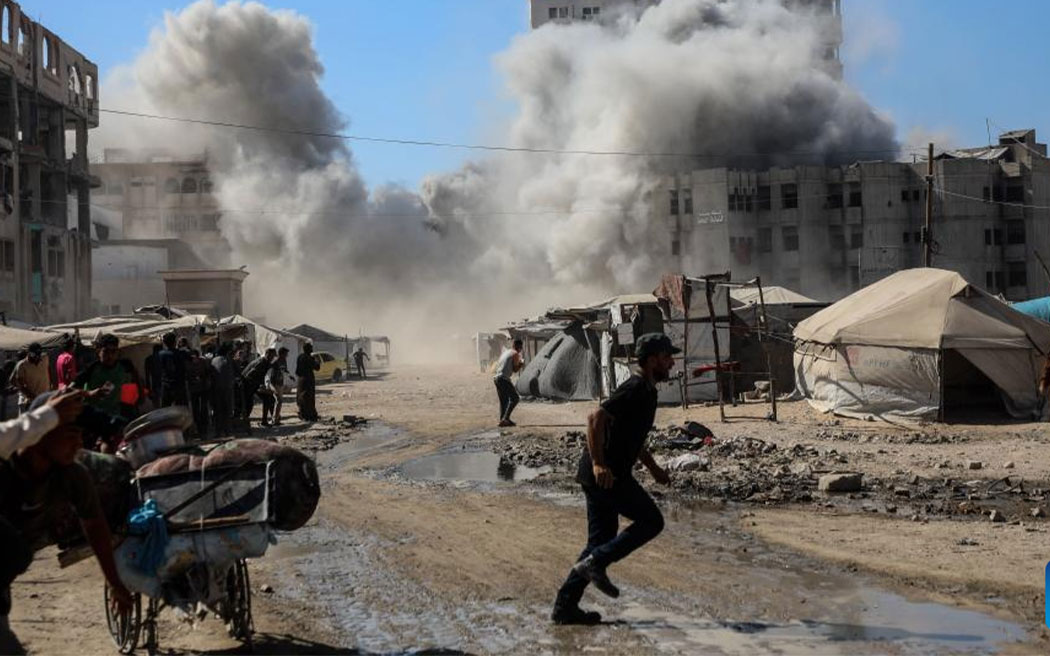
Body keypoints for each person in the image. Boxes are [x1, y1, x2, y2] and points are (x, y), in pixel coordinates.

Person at [551, 333, 677, 626]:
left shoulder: (648, 391)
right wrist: (598, 463)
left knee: (599, 542)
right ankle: (595, 564)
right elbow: (595, 418)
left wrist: (653, 468)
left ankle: (564, 607)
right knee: (651, 521)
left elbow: (633, 436)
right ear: (652, 359)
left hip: (609, 474)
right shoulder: (635, 387)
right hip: (605, 475)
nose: (671, 362)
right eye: (667, 356)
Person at [0, 391, 133, 648]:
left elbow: (95, 525)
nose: (78, 442)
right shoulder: (6, 470)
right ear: (39, 433)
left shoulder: (72, 475)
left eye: (81, 434)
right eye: (70, 434)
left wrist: (115, 582)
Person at [11, 343, 52, 414]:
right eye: (34, 355)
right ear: (29, 353)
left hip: (45, 398)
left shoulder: (45, 358)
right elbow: (20, 384)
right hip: (32, 401)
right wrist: (31, 396)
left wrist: (52, 384)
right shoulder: (22, 365)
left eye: (38, 355)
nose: (36, 358)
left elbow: (48, 370)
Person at [241, 348, 276, 426]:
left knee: (268, 398)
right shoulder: (260, 362)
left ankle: (265, 421)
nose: (272, 358)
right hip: (248, 384)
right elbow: (249, 375)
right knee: (248, 404)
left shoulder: (266, 362)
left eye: (273, 356)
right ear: (267, 354)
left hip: (255, 385)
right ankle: (243, 421)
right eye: (271, 356)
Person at [494, 340, 524, 428]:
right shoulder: (515, 354)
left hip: (497, 378)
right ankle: (505, 419)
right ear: (519, 347)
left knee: (504, 401)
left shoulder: (506, 352)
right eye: (520, 348)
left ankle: (503, 420)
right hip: (503, 378)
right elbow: (515, 370)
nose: (520, 350)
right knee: (515, 398)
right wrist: (521, 363)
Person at [210, 343, 236, 438]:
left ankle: (218, 432)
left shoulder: (213, 360)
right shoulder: (228, 360)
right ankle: (228, 431)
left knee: (217, 411)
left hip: (216, 389)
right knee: (227, 411)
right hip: (227, 389)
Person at [158, 332, 188, 408]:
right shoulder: (181, 353)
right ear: (175, 342)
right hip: (179, 385)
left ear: (164, 343)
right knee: (182, 409)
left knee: (165, 409)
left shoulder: (160, 355)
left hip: (166, 385)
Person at [187, 349, 214, 436]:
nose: (194, 359)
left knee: (203, 409)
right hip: (194, 389)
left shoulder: (203, 362)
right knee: (195, 410)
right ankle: (198, 429)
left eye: (195, 357)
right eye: (192, 357)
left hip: (203, 389)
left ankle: (204, 430)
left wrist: (202, 378)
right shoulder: (188, 364)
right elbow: (187, 375)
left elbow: (208, 372)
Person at [296, 343, 320, 422]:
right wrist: (317, 360)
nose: (312, 349)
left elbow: (297, 371)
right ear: (309, 349)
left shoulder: (300, 357)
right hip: (308, 380)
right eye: (311, 348)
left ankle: (302, 414)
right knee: (309, 397)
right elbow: (317, 368)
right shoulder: (309, 358)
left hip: (301, 380)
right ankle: (309, 415)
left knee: (301, 397)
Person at [267, 347, 290, 426]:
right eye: (286, 353)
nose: (287, 355)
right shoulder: (275, 361)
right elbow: (269, 370)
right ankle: (275, 420)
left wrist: (290, 376)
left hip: (280, 383)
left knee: (279, 402)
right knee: (279, 401)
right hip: (275, 383)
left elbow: (284, 370)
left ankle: (276, 418)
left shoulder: (284, 361)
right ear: (282, 354)